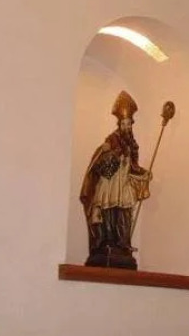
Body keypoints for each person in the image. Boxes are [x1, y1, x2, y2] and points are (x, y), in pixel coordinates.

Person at [79, 90, 151, 269]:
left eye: (129, 124)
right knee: (110, 210)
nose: (126, 127)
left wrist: (144, 173)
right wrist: (106, 150)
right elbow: (101, 160)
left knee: (125, 211)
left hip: (123, 183)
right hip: (110, 183)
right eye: (123, 124)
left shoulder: (132, 143)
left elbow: (133, 165)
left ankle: (123, 243)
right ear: (119, 124)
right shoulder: (112, 139)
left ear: (131, 124)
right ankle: (108, 242)